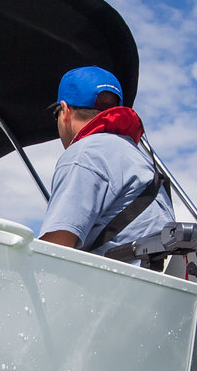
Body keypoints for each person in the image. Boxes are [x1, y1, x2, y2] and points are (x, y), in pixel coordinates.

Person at [37, 66, 175, 255]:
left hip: (115, 283)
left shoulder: (84, 154)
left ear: (65, 111)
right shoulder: (136, 157)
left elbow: (53, 249)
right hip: (152, 276)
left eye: (57, 114)